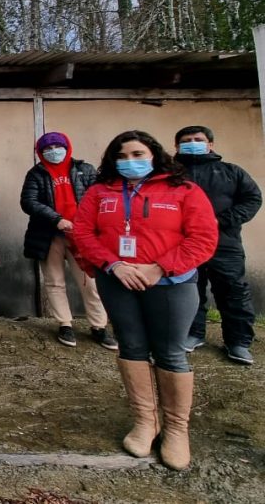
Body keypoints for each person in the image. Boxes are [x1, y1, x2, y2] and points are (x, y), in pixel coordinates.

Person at [73, 130, 218, 470]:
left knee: (170, 351)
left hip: (171, 283)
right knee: (132, 347)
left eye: (137, 154)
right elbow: (83, 233)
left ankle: (176, 429)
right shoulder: (100, 192)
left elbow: (203, 236)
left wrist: (160, 268)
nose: (129, 162)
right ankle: (145, 422)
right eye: (122, 157)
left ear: (154, 154)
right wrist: (114, 264)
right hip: (118, 280)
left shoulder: (183, 190)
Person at [19, 131, 116, 350]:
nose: (53, 151)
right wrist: (56, 219)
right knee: (54, 281)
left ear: (67, 146)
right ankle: (64, 324)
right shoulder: (36, 173)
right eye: (47, 149)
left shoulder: (85, 169)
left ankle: (99, 326)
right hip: (49, 234)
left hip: (82, 235)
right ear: (40, 153)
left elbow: (99, 197)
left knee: (90, 282)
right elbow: (28, 202)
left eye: (57, 146)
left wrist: (87, 224)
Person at [175, 125, 261, 365]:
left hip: (225, 243)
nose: (192, 143)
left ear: (210, 144)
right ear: (176, 146)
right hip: (183, 244)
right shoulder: (172, 174)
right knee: (191, 290)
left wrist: (219, 221)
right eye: (186, 140)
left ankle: (238, 342)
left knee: (233, 292)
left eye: (198, 139)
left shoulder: (231, 172)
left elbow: (252, 199)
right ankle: (193, 334)